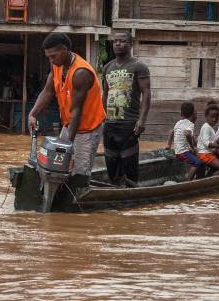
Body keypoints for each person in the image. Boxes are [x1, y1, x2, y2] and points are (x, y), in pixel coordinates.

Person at [28, 33, 105, 179]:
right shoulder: (57, 65)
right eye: (48, 57)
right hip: (69, 124)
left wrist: (67, 145)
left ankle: (78, 194)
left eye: (53, 56)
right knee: (59, 166)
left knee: (79, 173)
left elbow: (77, 111)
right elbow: (47, 91)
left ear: (64, 50)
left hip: (87, 128)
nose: (51, 60)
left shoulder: (80, 73)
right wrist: (32, 113)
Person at [102, 31, 151, 186]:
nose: (117, 44)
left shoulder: (139, 66)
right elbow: (105, 94)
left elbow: (146, 93)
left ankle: (131, 193)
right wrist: (102, 118)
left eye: (122, 41)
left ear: (130, 44)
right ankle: (115, 191)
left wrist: (141, 120)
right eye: (115, 41)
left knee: (129, 162)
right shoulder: (107, 67)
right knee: (111, 162)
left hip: (129, 122)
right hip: (110, 123)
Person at [167, 101, 202, 181]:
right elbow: (187, 134)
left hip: (179, 150)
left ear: (181, 113)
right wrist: (192, 147)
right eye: (196, 113)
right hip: (182, 152)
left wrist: (168, 145)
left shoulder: (179, 122)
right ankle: (189, 181)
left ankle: (196, 177)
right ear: (193, 114)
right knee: (197, 162)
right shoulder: (190, 124)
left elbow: (171, 132)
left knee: (195, 156)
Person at [195, 102, 219, 176]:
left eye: (216, 117)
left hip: (207, 153)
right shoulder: (206, 127)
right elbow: (207, 144)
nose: (214, 119)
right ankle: (211, 181)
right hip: (205, 154)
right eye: (212, 117)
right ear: (206, 116)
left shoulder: (210, 128)